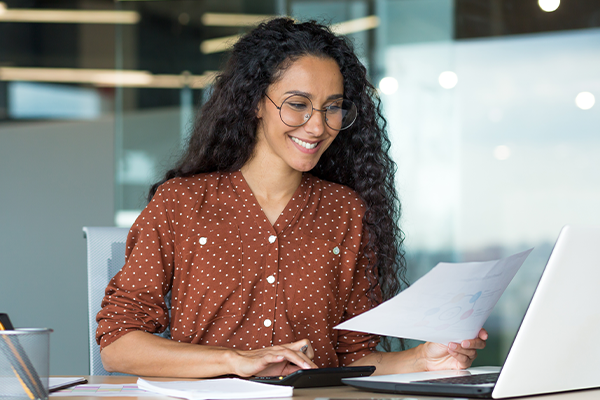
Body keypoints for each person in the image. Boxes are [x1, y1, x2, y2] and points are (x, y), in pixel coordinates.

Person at [96, 17, 487, 378]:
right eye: (297, 104)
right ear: (254, 102)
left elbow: (351, 359)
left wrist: (422, 359)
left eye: (332, 107)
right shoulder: (181, 202)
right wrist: (234, 360)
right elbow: (118, 345)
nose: (317, 125)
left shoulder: (346, 211)